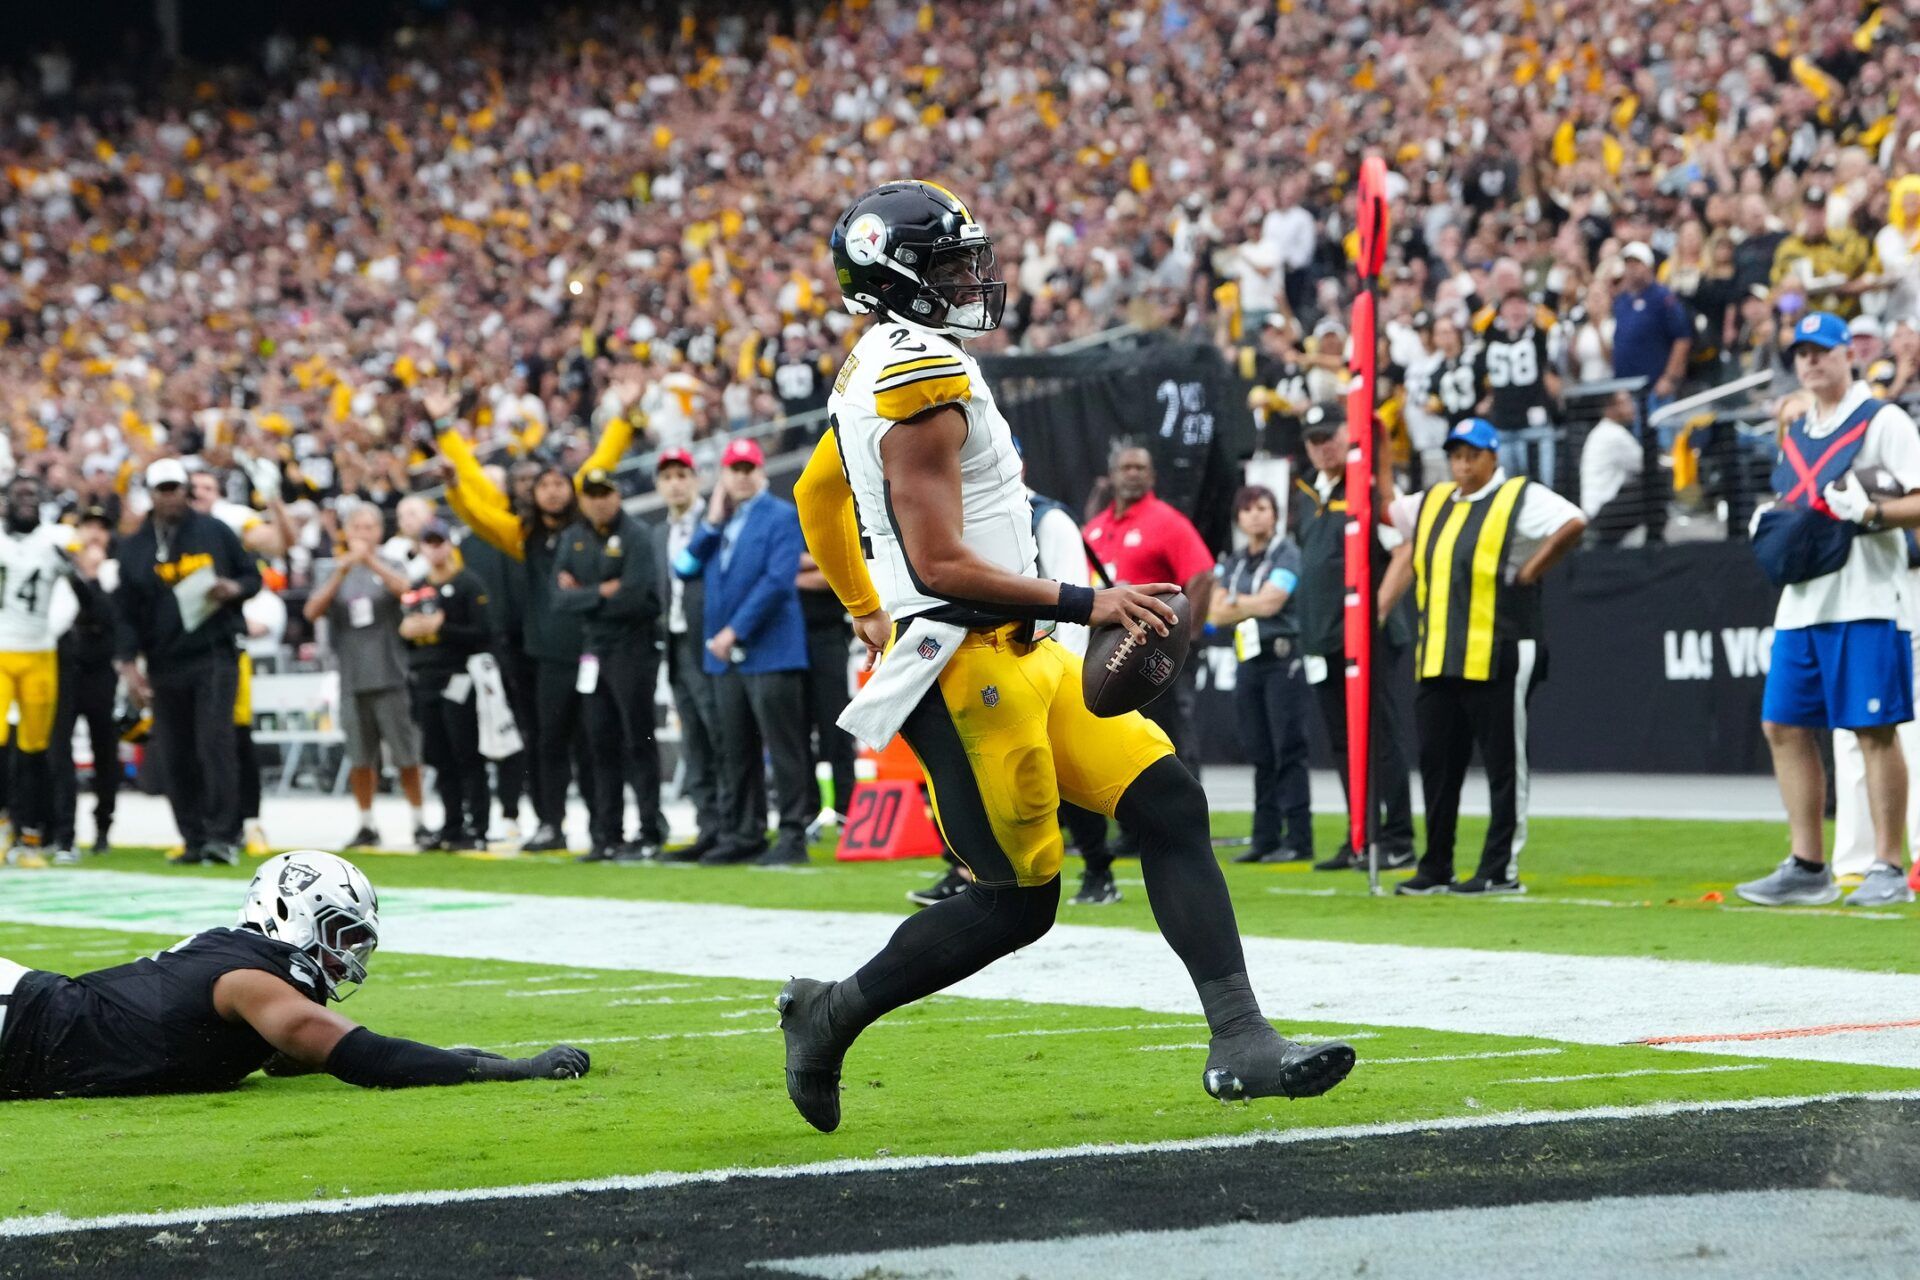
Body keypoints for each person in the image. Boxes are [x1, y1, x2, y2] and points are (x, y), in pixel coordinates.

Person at [780, 180, 1353, 1134]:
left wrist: (860, 605)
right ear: (898, 278)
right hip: (967, 669)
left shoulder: (887, 361)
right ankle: (829, 1015)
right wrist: (1092, 598)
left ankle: (1241, 1039)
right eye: (951, 263)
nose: (975, 276)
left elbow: (816, 491)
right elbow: (941, 564)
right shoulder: (913, 378)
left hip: (1022, 647)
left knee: (1168, 799)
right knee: (1018, 902)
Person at [0, 850, 588, 1098]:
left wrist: (458, 1055)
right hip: (19, 1020)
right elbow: (363, 1057)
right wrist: (512, 1071)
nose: (347, 956)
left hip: (26, 1026)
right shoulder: (249, 981)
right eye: (341, 934)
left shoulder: (242, 968)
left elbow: (297, 1057)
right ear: (292, 912)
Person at [1735, 312, 1920, 909]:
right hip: (1803, 600)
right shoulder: (1796, 431)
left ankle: (1889, 862)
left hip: (1866, 594)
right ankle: (1807, 863)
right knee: (1783, 726)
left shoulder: (1883, 419)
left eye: (1824, 350)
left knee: (1873, 727)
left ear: (1849, 355)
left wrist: (1871, 513)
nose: (1812, 361)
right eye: (1802, 353)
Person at [1378, 418, 1587, 895]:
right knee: (1437, 764)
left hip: (1500, 648)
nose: (1463, 464)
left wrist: (1533, 568)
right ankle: (1436, 866)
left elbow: (1573, 521)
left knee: (1503, 765)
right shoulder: (1432, 501)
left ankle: (1499, 870)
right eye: (1455, 455)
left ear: (1494, 456)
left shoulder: (1518, 496)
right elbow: (1388, 511)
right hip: (1438, 655)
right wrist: (1383, 455)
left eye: (1472, 455)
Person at [433, 383, 638, 852]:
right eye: (540, 485)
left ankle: (605, 828)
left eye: (555, 483)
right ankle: (551, 825)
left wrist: (623, 419)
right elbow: (479, 512)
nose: (548, 491)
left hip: (590, 651)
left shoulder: (584, 527)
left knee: (595, 744)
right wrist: (451, 480)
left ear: (571, 490)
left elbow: (602, 462)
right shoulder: (520, 534)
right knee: (548, 743)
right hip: (547, 655)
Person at [672, 437, 813, 866]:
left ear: (761, 471)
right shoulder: (719, 524)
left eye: (749, 468)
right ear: (723, 477)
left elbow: (776, 582)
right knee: (736, 747)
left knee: (784, 747)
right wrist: (712, 522)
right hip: (726, 656)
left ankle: (791, 835)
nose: (742, 475)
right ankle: (745, 832)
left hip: (770, 649)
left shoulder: (781, 516)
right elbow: (683, 567)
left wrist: (733, 631)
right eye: (734, 469)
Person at [113, 459, 260, 866]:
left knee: (214, 744)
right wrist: (128, 666)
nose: (171, 494)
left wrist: (233, 588)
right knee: (175, 753)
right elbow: (124, 612)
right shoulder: (135, 547)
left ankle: (222, 836)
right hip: (163, 662)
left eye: (177, 487)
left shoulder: (214, 531)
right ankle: (192, 837)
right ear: (152, 493)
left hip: (214, 654)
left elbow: (253, 576)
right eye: (163, 488)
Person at [1291, 406, 1417, 872]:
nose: (1323, 446)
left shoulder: (1368, 488)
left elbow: (1405, 550)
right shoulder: (1307, 492)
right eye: (1314, 438)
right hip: (1321, 637)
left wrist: (1377, 611)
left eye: (1330, 436)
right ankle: (1360, 835)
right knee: (1343, 743)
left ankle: (1399, 837)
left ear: (1348, 436)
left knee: (1379, 735)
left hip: (1366, 637)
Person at [1082, 443, 1217, 863]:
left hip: (1155, 654)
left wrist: (1184, 639)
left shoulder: (1168, 522)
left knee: (1171, 737)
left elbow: (1203, 575)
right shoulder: (1096, 528)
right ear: (1112, 476)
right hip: (1110, 657)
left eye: (1141, 467)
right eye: (1126, 467)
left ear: (1152, 476)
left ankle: (1185, 827)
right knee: (1117, 741)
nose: (1134, 474)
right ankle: (1133, 827)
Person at [302, 503, 430, 851]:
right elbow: (311, 611)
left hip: (390, 674)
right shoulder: (334, 569)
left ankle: (419, 820)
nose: (362, 533)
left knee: (405, 754)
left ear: (379, 532)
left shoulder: (391, 563)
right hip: (352, 678)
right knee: (360, 758)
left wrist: (370, 561)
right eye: (356, 527)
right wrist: (341, 573)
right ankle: (366, 822)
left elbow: (406, 591)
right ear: (346, 532)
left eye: (369, 526)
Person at [555, 466, 666, 863]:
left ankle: (650, 828)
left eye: (605, 493)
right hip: (593, 653)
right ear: (583, 500)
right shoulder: (574, 537)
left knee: (639, 741)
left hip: (633, 650)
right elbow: (558, 599)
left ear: (616, 495)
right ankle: (607, 833)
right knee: (599, 743)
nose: (599, 501)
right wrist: (602, 591)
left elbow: (636, 597)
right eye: (591, 495)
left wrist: (583, 594)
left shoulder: (637, 535)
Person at [1210, 485, 1312, 865]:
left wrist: (1237, 603)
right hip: (1248, 660)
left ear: (1276, 514)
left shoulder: (1287, 554)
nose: (1255, 515)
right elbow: (1215, 613)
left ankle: (1299, 838)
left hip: (1282, 660)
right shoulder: (1234, 561)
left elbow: (1274, 602)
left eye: (1263, 508)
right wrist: (1243, 605)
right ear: (1239, 517)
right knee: (1259, 750)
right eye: (1248, 508)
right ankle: (1264, 836)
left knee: (1289, 748)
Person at [0, 475, 82, 867]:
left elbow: (85, 589)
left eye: (34, 495)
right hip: (1, 651)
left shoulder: (56, 541)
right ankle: (5, 824)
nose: (27, 502)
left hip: (40, 653)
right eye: (21, 495)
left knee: (34, 751)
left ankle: (29, 835)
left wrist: (77, 570)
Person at [400, 520, 493, 852]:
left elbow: (484, 633)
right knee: (438, 756)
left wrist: (443, 629)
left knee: (466, 752)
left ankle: (478, 824)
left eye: (440, 541)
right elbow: (409, 633)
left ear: (450, 544)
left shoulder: (468, 583)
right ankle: (452, 823)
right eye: (429, 542)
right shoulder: (418, 586)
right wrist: (410, 632)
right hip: (425, 678)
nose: (435, 548)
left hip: (459, 676)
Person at [653, 448, 725, 862]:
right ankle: (707, 826)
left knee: (720, 735)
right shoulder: (657, 533)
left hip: (710, 642)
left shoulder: (715, 521)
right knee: (694, 738)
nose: (675, 483)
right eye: (667, 477)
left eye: (682, 475)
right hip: (676, 645)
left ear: (695, 479)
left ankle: (730, 826)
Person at [49, 508, 119, 861]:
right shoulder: (60, 574)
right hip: (65, 669)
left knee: (105, 751)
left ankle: (103, 826)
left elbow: (107, 615)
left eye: (101, 529)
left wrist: (87, 577)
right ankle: (64, 833)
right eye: (88, 527)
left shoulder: (113, 572)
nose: (94, 535)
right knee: (59, 752)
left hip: (101, 672)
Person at [1579, 389, 1658, 547]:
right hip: (1603, 512)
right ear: (1610, 409)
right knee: (1657, 484)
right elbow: (1647, 465)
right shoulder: (1614, 434)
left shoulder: (1604, 431)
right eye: (1625, 403)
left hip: (1598, 511)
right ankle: (1655, 543)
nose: (1632, 407)